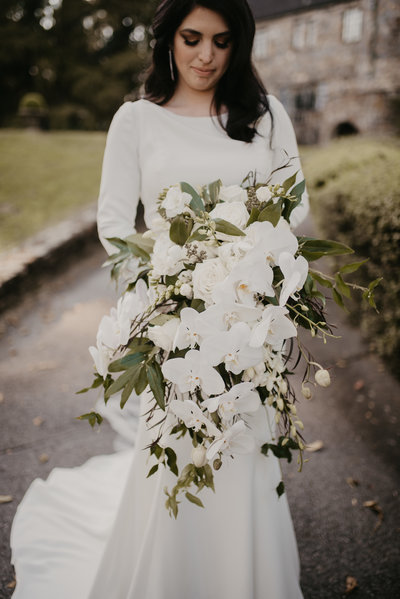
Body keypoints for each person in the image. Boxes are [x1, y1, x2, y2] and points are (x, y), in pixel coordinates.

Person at [10, 1, 308, 597]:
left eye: (222, 42)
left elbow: (296, 207)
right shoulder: (136, 120)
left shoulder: (267, 114)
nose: (206, 56)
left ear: (238, 45)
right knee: (178, 447)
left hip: (248, 321)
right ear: (167, 40)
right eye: (192, 38)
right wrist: (167, 283)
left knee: (244, 450)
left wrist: (243, 263)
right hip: (174, 322)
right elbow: (116, 223)